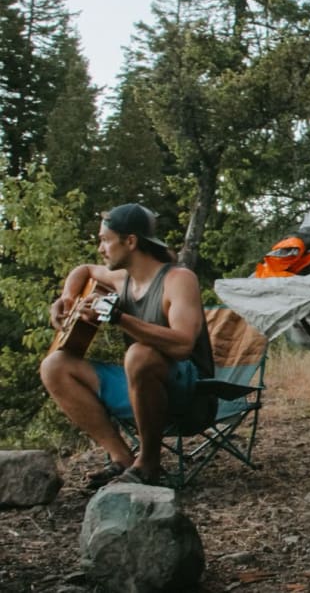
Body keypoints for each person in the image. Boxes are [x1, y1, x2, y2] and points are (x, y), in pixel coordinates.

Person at [40, 203, 215, 487]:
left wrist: (117, 317)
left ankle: (148, 463)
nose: (100, 248)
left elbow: (183, 345)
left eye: (105, 240)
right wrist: (68, 297)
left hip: (190, 396)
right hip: (141, 389)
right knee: (54, 366)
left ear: (130, 241)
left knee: (138, 354)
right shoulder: (121, 279)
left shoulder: (179, 280)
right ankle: (122, 459)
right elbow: (83, 270)